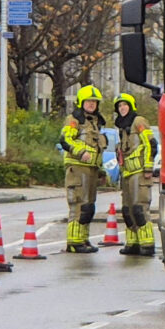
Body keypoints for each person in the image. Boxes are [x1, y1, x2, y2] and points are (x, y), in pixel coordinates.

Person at [60, 86, 108, 253]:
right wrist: (80, 152)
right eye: (88, 101)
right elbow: (65, 139)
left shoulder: (95, 122)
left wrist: (100, 169)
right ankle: (74, 242)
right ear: (81, 102)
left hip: (92, 170)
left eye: (94, 102)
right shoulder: (74, 120)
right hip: (78, 168)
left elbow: (97, 147)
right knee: (78, 205)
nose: (91, 104)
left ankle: (83, 239)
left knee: (89, 207)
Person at [114, 93, 158, 256]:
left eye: (124, 105)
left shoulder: (139, 121)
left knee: (140, 209)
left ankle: (147, 243)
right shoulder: (121, 126)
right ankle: (132, 243)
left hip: (139, 172)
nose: (122, 108)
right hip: (126, 173)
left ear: (130, 106)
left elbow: (150, 144)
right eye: (119, 106)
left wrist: (148, 168)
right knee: (127, 210)